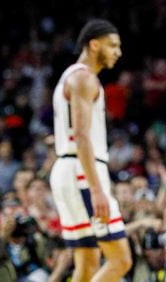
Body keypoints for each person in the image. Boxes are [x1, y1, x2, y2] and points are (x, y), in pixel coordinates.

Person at [50, 19, 132, 282]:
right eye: (113, 46)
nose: (118, 52)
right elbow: (82, 136)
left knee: (86, 262)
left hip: (66, 170)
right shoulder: (84, 78)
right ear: (94, 44)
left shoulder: (69, 76)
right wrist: (97, 188)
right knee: (120, 260)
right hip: (83, 172)